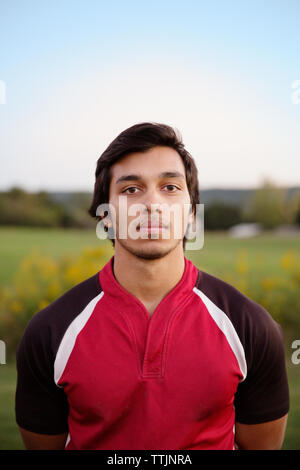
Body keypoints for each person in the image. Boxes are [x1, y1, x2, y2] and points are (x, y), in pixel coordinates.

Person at [15, 122, 289, 450]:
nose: (152, 204)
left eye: (170, 187)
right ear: (105, 216)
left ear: (190, 214)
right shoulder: (51, 332)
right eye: (131, 189)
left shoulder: (250, 327)